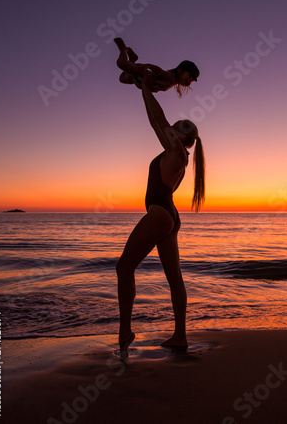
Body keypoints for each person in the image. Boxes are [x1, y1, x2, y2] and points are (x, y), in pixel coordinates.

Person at [116, 69, 205, 358]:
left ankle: (125, 330)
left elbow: (156, 119)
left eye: (176, 126)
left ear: (182, 136)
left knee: (124, 268)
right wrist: (143, 87)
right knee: (174, 278)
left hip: (160, 215)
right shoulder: (180, 154)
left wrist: (144, 89)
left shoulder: (177, 150)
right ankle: (180, 337)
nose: (171, 127)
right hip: (169, 216)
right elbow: (159, 122)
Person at [114, 37, 200, 97]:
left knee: (121, 78)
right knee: (121, 63)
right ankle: (124, 49)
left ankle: (132, 59)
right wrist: (149, 65)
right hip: (142, 74)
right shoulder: (172, 78)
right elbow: (160, 71)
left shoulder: (173, 82)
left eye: (192, 80)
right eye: (189, 76)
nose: (189, 81)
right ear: (180, 71)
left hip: (139, 81)